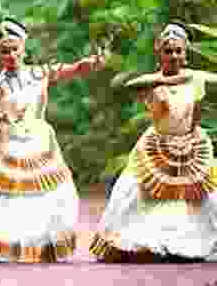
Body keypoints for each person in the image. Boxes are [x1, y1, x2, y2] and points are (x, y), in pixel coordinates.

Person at [0, 17, 107, 263]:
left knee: (45, 195)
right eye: (4, 51)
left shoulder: (40, 74)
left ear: (24, 48)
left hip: (39, 144)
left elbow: (74, 69)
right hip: (5, 145)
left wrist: (92, 63)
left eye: (14, 49)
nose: (10, 55)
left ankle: (38, 245)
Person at [90, 22, 217, 263]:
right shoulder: (150, 83)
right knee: (136, 191)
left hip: (190, 143)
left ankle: (190, 242)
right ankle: (146, 242)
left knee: (204, 195)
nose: (174, 56)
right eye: (168, 51)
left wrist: (190, 134)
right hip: (157, 143)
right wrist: (169, 81)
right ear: (159, 54)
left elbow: (197, 110)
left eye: (179, 51)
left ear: (185, 54)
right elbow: (128, 85)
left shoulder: (196, 81)